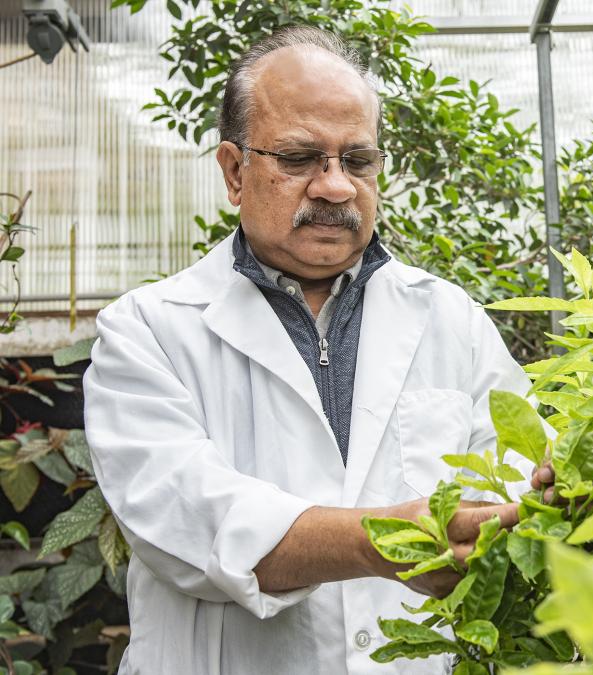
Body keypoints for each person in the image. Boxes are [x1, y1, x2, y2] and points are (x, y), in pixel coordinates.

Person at [83, 25, 538, 674]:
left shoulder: (450, 319)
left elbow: (515, 471)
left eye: (357, 160)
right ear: (235, 171)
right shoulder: (148, 331)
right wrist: (381, 540)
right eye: (300, 158)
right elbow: (190, 520)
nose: (335, 187)